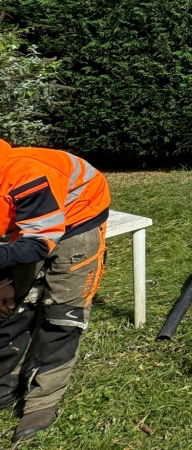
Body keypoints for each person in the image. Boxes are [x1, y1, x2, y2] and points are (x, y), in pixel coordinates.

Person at [0, 139, 110, 442]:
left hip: (78, 219)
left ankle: (42, 401)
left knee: (63, 314)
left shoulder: (25, 174)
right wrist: (3, 282)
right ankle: (5, 384)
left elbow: (40, 243)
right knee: (12, 309)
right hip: (26, 225)